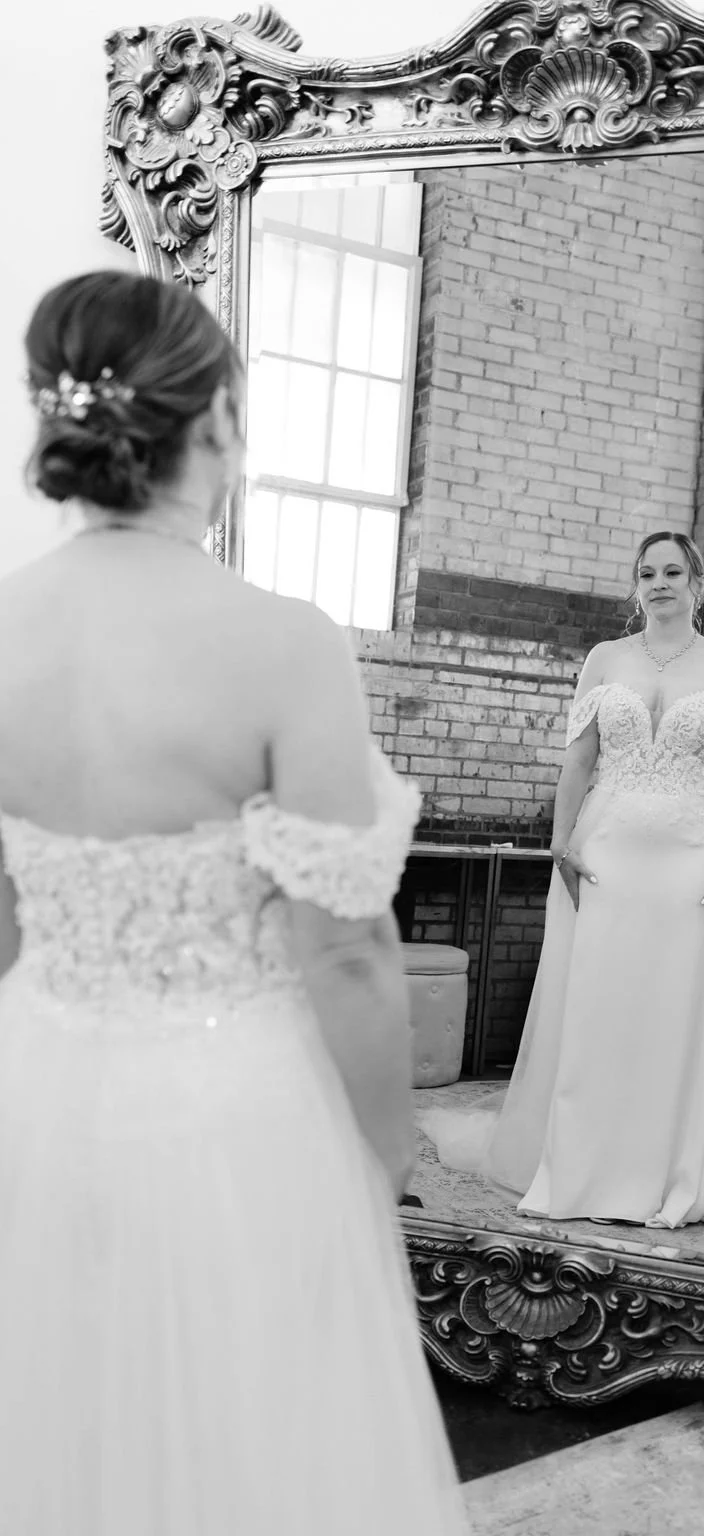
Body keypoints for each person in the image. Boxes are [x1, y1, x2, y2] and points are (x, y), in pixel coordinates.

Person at [0, 272, 468, 1534]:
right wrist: (383, 1153)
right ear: (211, 424)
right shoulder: (281, 642)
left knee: (63, 1429)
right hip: (234, 1116)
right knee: (254, 1447)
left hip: (32, 1092)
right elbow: (351, 953)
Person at [422, 531, 704, 1242]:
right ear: (635, 585)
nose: (660, 582)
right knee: (604, 1002)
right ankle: (588, 1164)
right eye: (648, 572)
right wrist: (559, 840)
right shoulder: (604, 660)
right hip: (605, 854)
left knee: (678, 1003)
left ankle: (673, 1163)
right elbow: (578, 762)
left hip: (693, 856)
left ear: (697, 582)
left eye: (673, 571)